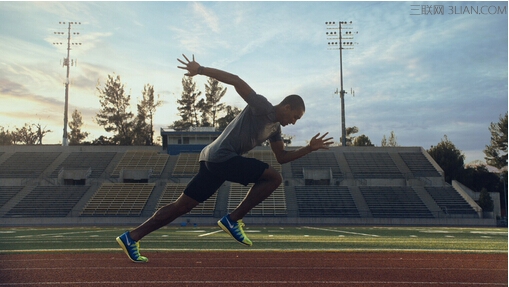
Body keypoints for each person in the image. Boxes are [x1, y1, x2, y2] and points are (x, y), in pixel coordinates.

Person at [116, 54, 333, 263]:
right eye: (295, 116)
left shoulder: (275, 129)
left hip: (213, 161)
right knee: (273, 179)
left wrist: (308, 149)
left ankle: (132, 236)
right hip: (222, 157)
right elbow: (236, 81)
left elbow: (282, 157)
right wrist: (200, 70)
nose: (294, 122)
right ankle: (232, 219)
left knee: (182, 206)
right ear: (287, 107)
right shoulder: (263, 107)